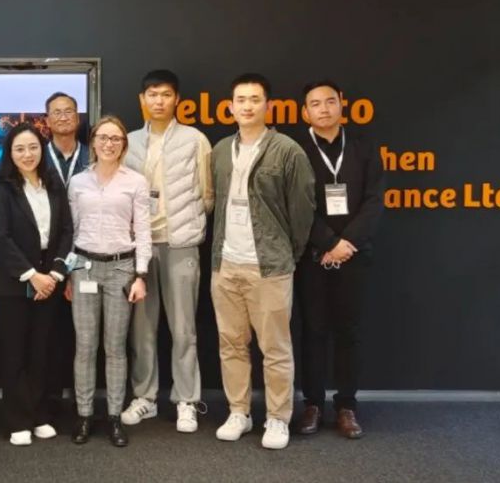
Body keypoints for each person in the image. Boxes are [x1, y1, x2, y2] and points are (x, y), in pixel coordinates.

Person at [210, 73, 315, 450]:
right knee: (231, 345)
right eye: (241, 100)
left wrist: (287, 254)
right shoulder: (221, 150)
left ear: (267, 106)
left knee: (275, 348)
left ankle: (277, 418)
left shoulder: (288, 151)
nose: (247, 106)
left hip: (269, 267)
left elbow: (302, 212)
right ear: (231, 107)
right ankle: (239, 411)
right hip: (225, 264)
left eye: (255, 99)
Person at [122, 69, 214, 433]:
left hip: (180, 243)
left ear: (177, 99)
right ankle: (144, 397)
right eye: (152, 94)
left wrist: (187, 224)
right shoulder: (129, 141)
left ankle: (186, 400)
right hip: (139, 247)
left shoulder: (195, 140)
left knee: (184, 328)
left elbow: (208, 193)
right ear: (142, 100)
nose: (158, 101)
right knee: (141, 329)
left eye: (165, 95)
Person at [297, 80, 384, 439]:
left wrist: (347, 242)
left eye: (330, 101)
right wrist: (328, 242)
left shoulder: (363, 148)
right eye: (315, 104)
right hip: (312, 256)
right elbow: (297, 206)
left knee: (349, 332)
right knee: (313, 331)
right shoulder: (297, 150)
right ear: (305, 112)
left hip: (354, 255)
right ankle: (313, 405)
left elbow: (374, 200)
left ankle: (347, 406)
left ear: (341, 105)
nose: (324, 109)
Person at [67, 116, 150, 448]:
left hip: (121, 269)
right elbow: (71, 231)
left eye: (116, 138)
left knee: (115, 348)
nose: (109, 144)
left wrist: (141, 275)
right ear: (93, 141)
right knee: (85, 346)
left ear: (124, 145)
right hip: (84, 267)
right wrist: (68, 274)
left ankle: (114, 416)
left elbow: (142, 230)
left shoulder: (136, 182)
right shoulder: (78, 182)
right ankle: (84, 415)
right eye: (103, 137)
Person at [0, 122, 74, 446]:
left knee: (42, 352)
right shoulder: (3, 188)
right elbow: (1, 237)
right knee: (15, 354)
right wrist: (31, 275)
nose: (27, 154)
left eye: (33, 147)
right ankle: (18, 421)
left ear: (42, 149)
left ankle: (40, 415)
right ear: (10, 153)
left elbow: (66, 231)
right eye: (20, 149)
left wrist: (55, 274)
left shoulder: (54, 185)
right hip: (15, 285)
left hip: (49, 282)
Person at [42, 91, 89, 414]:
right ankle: (49, 398)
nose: (62, 117)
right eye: (56, 112)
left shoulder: (93, 154)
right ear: (47, 120)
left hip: (87, 251)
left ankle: (81, 400)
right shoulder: (36, 156)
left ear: (78, 117)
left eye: (68, 111)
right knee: (48, 331)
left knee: (82, 333)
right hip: (47, 256)